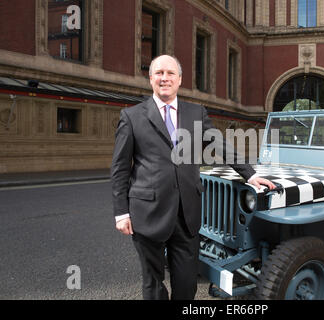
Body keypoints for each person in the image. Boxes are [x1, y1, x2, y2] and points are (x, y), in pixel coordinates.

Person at [110, 55, 275, 300]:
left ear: (179, 80)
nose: (164, 78)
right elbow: (121, 168)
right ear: (151, 79)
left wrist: (250, 175)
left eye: (170, 73)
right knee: (152, 283)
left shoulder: (196, 113)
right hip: (147, 213)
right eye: (159, 73)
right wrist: (121, 213)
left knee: (186, 283)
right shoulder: (131, 116)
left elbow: (220, 144)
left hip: (187, 214)